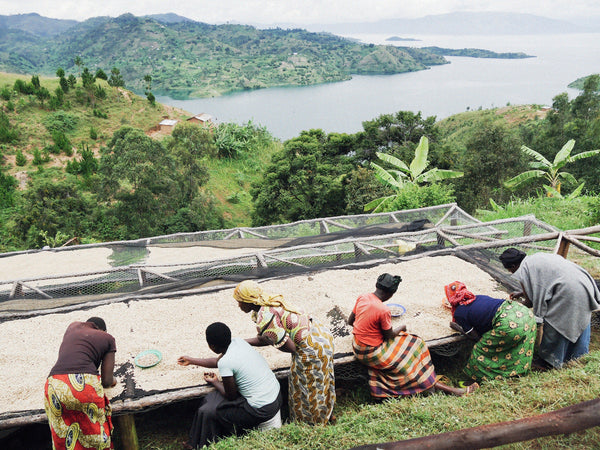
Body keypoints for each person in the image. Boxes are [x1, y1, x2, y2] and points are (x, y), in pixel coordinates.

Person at [348, 273, 478, 399]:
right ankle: (446, 389)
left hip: (357, 344)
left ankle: (429, 381)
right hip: (370, 351)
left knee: (416, 342)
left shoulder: (363, 297)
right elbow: (389, 336)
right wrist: (401, 327)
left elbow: (350, 321)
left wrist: (368, 327)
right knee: (409, 363)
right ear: (390, 294)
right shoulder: (383, 310)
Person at [233, 279, 335, 425]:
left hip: (310, 348)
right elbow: (267, 338)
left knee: (307, 387)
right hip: (320, 336)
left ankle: (311, 424)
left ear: (250, 301)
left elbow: (290, 347)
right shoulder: (269, 302)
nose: (239, 305)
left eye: (240, 301)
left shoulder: (265, 316)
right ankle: (326, 415)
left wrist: (272, 341)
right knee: (322, 380)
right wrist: (244, 342)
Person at [178, 322, 282, 449]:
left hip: (261, 411)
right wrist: (191, 360)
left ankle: (209, 442)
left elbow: (230, 396)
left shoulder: (226, 362)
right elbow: (217, 361)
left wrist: (215, 382)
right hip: (276, 396)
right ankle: (196, 442)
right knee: (211, 402)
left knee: (212, 411)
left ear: (212, 346)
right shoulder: (239, 342)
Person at [500, 248, 600, 369]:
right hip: (584, 285)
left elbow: (530, 301)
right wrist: (522, 293)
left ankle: (549, 362)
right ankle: (578, 357)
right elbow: (544, 283)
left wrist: (513, 307)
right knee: (580, 318)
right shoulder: (535, 258)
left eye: (510, 270)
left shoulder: (524, 269)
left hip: (568, 291)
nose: (511, 273)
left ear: (513, 266)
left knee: (555, 323)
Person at [44, 317, 117, 450]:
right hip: (84, 384)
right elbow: (106, 381)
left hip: (54, 383)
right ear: (103, 330)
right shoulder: (108, 338)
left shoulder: (72, 327)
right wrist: (114, 380)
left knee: (63, 432)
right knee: (95, 430)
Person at [444, 281, 537, 382]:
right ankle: (518, 370)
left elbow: (475, 337)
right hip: (524, 313)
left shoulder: (459, 313)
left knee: (480, 349)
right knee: (518, 345)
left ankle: (479, 378)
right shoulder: (477, 297)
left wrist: (457, 327)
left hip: (510, 323)